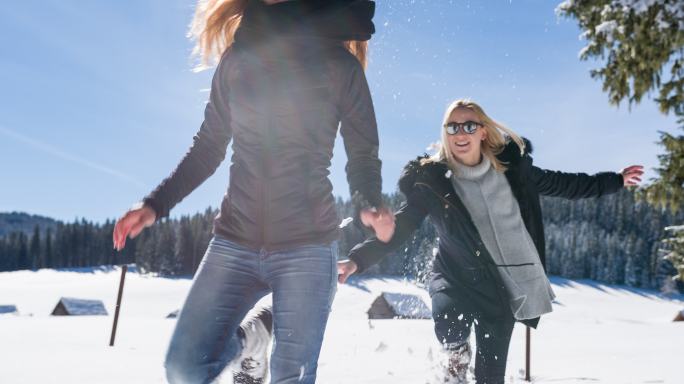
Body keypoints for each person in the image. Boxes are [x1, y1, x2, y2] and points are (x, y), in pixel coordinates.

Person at [112, 1, 395, 383]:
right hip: (235, 242)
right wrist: (155, 204)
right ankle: (255, 340)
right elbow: (208, 146)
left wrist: (368, 201)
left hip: (307, 247)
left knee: (290, 377)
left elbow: (363, 153)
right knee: (184, 368)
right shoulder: (237, 60)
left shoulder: (339, 66)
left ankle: (259, 335)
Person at [337, 99, 643, 384]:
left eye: (469, 125)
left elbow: (566, 184)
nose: (460, 132)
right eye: (452, 127)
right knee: (448, 318)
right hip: (453, 276)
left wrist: (614, 181)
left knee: (490, 377)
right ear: (445, 134)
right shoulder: (431, 181)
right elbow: (401, 226)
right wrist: (357, 259)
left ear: (483, 132)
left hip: (500, 288)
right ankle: (455, 361)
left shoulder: (515, 172)